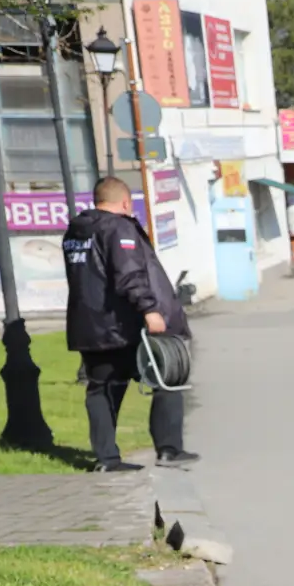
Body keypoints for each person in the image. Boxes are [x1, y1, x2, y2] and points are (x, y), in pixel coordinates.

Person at [61, 176, 198, 470]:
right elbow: (129, 275)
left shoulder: (76, 231)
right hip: (123, 326)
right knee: (168, 377)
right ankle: (169, 449)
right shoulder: (119, 228)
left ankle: (107, 459)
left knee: (101, 389)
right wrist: (149, 309)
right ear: (125, 202)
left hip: (89, 326)